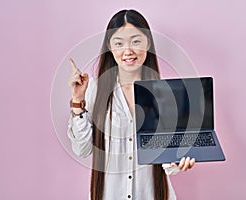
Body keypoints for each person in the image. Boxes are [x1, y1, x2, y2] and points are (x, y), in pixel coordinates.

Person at [67, 9, 195, 200]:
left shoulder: (165, 93)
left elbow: (167, 161)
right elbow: (82, 149)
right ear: (110, 47)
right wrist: (78, 101)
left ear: (148, 43)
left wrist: (177, 161)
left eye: (136, 41)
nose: (128, 51)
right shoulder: (94, 89)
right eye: (119, 43)